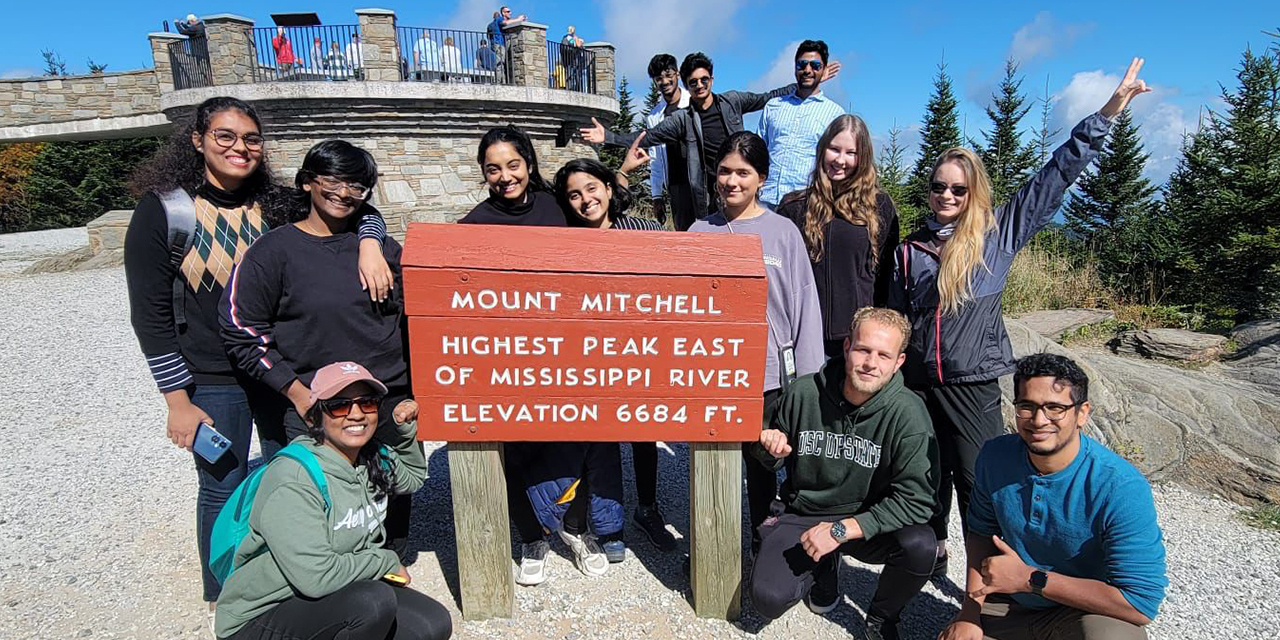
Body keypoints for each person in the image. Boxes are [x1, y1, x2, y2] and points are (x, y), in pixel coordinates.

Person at [124, 96, 391, 631]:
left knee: (285, 476)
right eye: (225, 136)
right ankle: (226, 593)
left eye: (250, 138)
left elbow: (355, 206)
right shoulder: (167, 211)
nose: (239, 148)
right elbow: (150, 314)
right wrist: (177, 401)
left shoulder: (277, 203)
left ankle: (284, 575)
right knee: (222, 482)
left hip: (275, 370)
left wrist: (370, 245)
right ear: (198, 139)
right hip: (211, 374)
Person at [888, 58, 1153, 578]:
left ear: (974, 193)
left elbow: (1053, 178)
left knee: (980, 486)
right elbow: (898, 319)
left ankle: (990, 583)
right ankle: (930, 558)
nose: (946, 196)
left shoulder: (997, 236)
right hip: (918, 383)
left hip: (973, 384)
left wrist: (1107, 113)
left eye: (958, 190)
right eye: (938, 187)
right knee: (925, 476)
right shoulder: (909, 250)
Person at [220, 139, 416, 560]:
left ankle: (391, 567)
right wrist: (294, 391)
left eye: (358, 186)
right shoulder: (274, 251)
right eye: (333, 180)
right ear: (308, 181)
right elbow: (239, 325)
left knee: (391, 492)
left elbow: (421, 312)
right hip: (317, 402)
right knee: (325, 501)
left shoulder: (381, 248)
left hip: (386, 395)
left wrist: (418, 389)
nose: (344, 192)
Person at [461, 126, 623, 583]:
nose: (505, 176)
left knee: (580, 438)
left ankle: (577, 529)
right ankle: (532, 535)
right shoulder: (476, 224)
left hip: (568, 348)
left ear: (529, 164)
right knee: (519, 449)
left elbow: (597, 220)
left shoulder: (555, 206)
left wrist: (622, 172)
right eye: (493, 168)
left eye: (513, 165)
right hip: (511, 356)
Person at [212, 361, 452, 640]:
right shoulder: (294, 477)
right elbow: (317, 577)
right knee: (372, 604)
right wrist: (383, 559)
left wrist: (405, 431)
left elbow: (412, 478)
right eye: (339, 405)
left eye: (368, 403)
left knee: (432, 624)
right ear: (316, 415)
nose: (356, 414)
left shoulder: (372, 456)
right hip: (264, 611)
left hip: (332, 595)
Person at [937, 353, 1167, 640]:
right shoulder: (995, 457)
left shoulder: (1120, 486)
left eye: (1055, 408)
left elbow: (1140, 604)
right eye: (1026, 406)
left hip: (1082, 611)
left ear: (1082, 413)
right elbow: (981, 534)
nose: (1039, 420)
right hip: (1009, 604)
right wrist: (969, 613)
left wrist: (1030, 579)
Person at [750, 307, 937, 640]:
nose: (870, 363)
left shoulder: (909, 414)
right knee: (767, 598)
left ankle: (881, 618)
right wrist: (768, 449)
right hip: (805, 512)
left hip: (868, 519)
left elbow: (918, 502)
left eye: (884, 355)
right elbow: (767, 459)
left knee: (920, 545)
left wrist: (840, 531)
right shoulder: (803, 393)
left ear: (899, 363)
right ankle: (823, 566)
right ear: (847, 346)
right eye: (864, 349)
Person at [689, 131, 824, 544]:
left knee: (766, 466)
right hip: (713, 377)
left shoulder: (783, 232)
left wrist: (810, 379)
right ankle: (714, 546)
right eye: (725, 171)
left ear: (762, 177)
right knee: (713, 468)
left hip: (770, 378)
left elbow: (805, 307)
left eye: (743, 173)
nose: (732, 181)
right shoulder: (698, 232)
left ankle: (763, 545)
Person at [553, 156, 678, 552]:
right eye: (574, 194)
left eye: (592, 188)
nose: (585, 200)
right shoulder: (564, 236)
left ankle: (646, 507)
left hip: (637, 347)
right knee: (592, 434)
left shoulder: (642, 228)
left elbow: (675, 275)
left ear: (609, 189)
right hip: (586, 351)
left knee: (644, 433)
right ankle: (594, 515)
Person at [581, 52, 840, 227]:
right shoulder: (683, 118)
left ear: (712, 80)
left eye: (704, 79)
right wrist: (609, 137)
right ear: (686, 84)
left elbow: (767, 96)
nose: (700, 85)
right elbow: (650, 137)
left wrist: (808, 82)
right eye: (693, 82)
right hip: (707, 192)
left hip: (738, 183)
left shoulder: (732, 101)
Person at [778, 114, 899, 358]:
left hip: (856, 339)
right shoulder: (794, 206)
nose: (841, 160)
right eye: (834, 149)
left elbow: (886, 276)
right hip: (804, 336)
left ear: (862, 157)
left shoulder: (879, 207)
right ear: (823, 149)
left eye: (851, 153)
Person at [756, 40, 846, 210]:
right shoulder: (773, 106)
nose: (807, 70)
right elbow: (758, 152)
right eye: (802, 64)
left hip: (807, 203)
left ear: (824, 70)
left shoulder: (835, 114)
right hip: (766, 201)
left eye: (815, 65)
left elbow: (836, 163)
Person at [642, 53, 691, 228]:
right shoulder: (654, 116)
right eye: (659, 78)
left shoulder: (694, 103)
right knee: (684, 236)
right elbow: (655, 159)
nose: (664, 81)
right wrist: (657, 196)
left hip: (700, 183)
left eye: (668, 75)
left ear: (677, 74)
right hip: (675, 185)